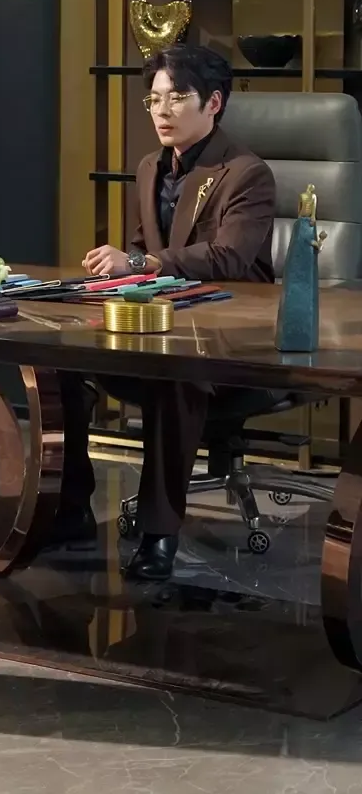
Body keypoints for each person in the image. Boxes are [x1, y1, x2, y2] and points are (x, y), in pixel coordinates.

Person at [58, 44, 276, 581]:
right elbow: (143, 249)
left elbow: (228, 258)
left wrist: (141, 261)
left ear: (213, 103)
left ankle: (160, 534)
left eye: (177, 98)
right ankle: (70, 505)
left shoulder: (246, 173)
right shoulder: (150, 167)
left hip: (234, 337)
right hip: (165, 323)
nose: (162, 110)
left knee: (176, 373)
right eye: (154, 99)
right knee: (62, 356)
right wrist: (113, 276)